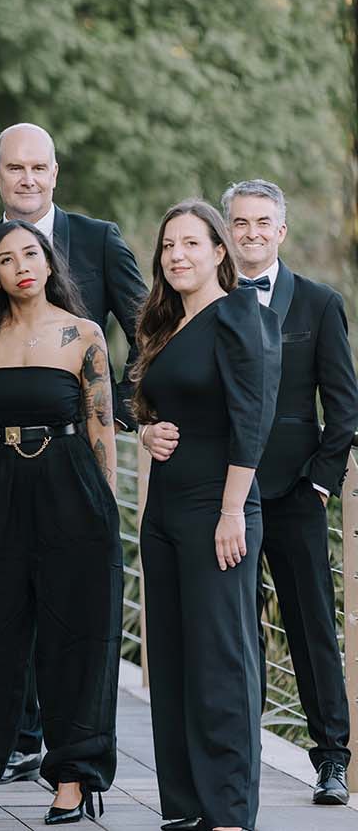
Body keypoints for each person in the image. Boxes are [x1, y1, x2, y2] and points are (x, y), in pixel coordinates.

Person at [0, 122, 146, 783]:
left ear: (55, 172)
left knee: (71, 615)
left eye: (39, 167)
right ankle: (0, 751)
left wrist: (139, 415)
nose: (27, 178)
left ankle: (65, 762)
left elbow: (146, 332)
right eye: (15, 168)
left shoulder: (100, 241)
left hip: (71, 455)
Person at [201, 180, 355, 804]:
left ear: (281, 231)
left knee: (311, 624)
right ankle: (244, 758)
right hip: (222, 493)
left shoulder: (319, 304)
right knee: (234, 629)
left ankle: (333, 760)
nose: (251, 232)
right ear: (226, 233)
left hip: (295, 494)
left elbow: (343, 409)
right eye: (239, 223)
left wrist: (320, 484)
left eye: (263, 222)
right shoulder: (206, 303)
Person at [132, 200, 279, 831]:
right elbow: (147, 400)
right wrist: (146, 432)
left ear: (220, 251)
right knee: (169, 656)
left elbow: (254, 419)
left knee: (221, 658)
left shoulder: (241, 315)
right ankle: (185, 805)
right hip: (164, 507)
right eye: (168, 246)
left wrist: (231, 512)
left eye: (190, 243)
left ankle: (227, 810)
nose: (176, 256)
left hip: (217, 507)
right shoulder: (167, 325)